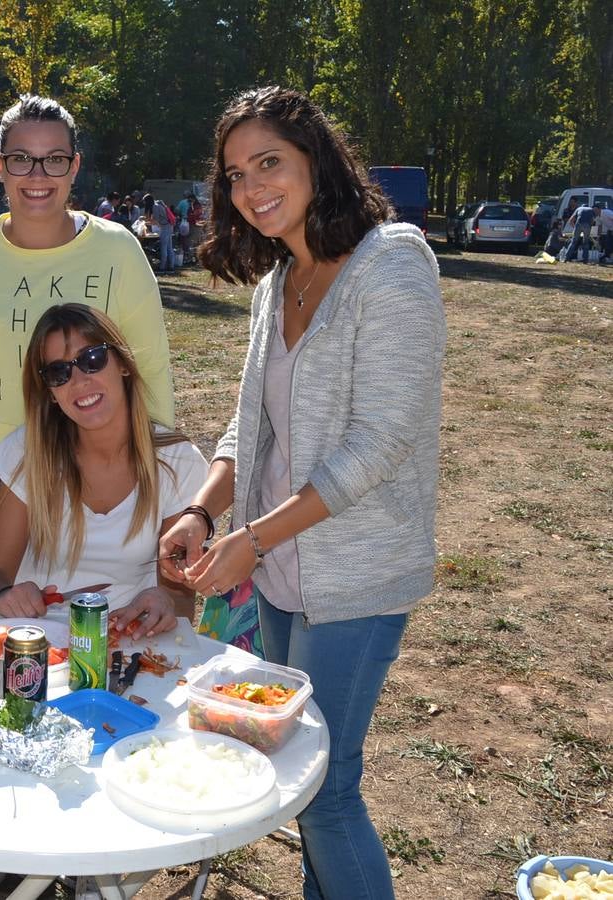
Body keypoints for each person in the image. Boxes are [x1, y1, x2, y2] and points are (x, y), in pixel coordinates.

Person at [160, 86, 445, 900]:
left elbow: (381, 442)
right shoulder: (274, 283)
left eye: (270, 163)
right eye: (237, 174)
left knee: (327, 791)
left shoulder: (392, 262)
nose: (252, 188)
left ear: (318, 159)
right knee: (296, 768)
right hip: (279, 573)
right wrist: (202, 510)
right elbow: (251, 432)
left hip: (353, 578)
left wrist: (252, 540)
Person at [0, 94, 175, 588]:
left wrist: (159, 490)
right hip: (2, 479)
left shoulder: (118, 250)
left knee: (110, 637)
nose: (37, 175)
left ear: (74, 166)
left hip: (104, 475)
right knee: (7, 637)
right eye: (21, 159)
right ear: (0, 166)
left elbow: (149, 369)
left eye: (54, 159)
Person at [0, 303, 206, 634]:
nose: (80, 381)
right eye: (59, 373)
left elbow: (181, 598)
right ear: (51, 393)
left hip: (134, 642)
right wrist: (5, 594)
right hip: (42, 640)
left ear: (123, 364)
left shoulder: (176, 462)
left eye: (92, 360)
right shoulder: (27, 451)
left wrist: (164, 602)